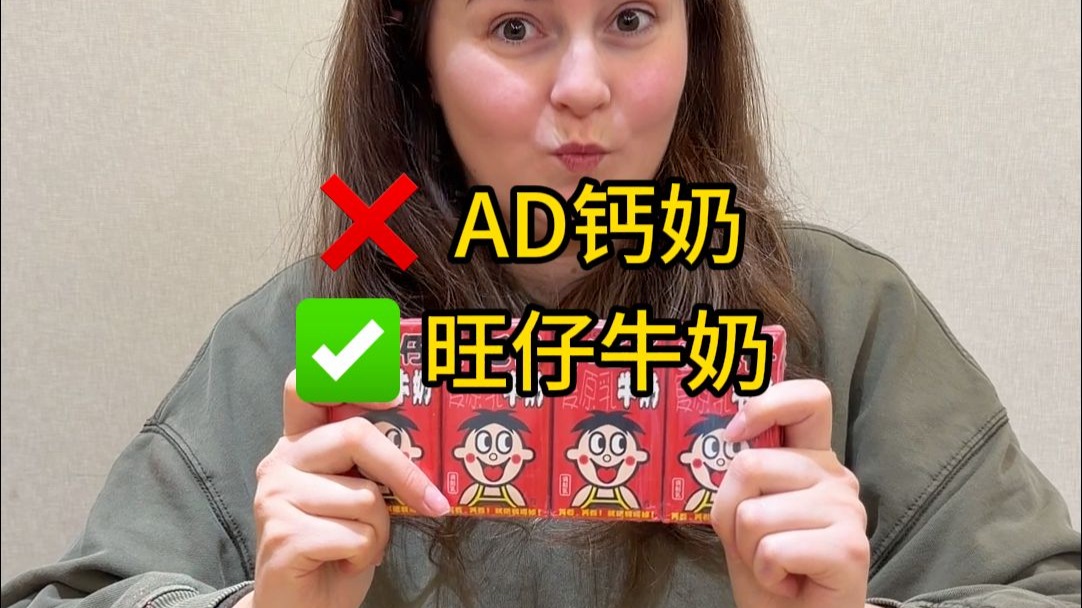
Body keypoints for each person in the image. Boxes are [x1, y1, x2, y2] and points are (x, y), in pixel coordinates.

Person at [1, 1, 1079, 607]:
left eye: (630, 18)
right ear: (418, 59)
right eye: (516, 26)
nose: (583, 88)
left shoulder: (840, 317)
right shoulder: (317, 332)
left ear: (695, 39)